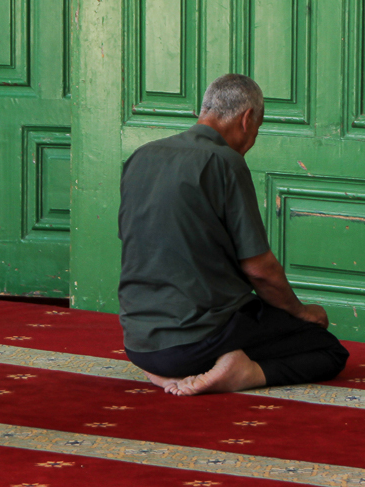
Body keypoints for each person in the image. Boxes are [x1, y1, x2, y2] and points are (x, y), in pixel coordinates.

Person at [117, 73, 349, 396]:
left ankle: (159, 372)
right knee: (328, 350)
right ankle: (245, 373)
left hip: (138, 343)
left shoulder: (140, 157)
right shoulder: (225, 161)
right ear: (247, 119)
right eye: (257, 130)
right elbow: (259, 269)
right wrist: (302, 312)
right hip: (197, 340)